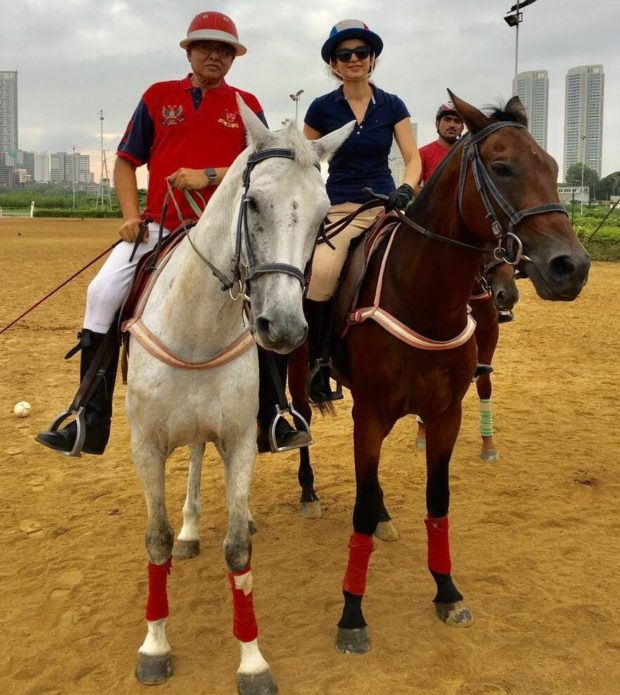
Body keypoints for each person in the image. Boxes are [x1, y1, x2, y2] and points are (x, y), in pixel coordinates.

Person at [36, 10, 309, 456]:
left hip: (223, 233)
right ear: (189, 50)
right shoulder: (158, 96)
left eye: (224, 50)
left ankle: (276, 414)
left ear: (233, 58)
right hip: (162, 224)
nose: (214, 56)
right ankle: (87, 416)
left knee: (265, 299)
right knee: (102, 292)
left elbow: (265, 164)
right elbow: (126, 161)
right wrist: (129, 214)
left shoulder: (246, 104)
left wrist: (208, 174)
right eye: (206, 47)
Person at [302, 19, 422, 402]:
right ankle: (318, 364)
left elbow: (413, 158)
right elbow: (302, 159)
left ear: (373, 59)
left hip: (387, 205)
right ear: (334, 64)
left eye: (361, 53)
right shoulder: (322, 108)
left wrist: (406, 188)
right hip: (341, 209)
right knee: (321, 274)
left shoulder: (392, 105)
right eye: (344, 54)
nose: (354, 59)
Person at [416, 101, 464, 191]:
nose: (452, 125)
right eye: (447, 119)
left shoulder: (471, 152)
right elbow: (414, 185)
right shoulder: (423, 152)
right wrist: (430, 202)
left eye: (457, 121)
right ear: (437, 124)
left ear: (462, 128)